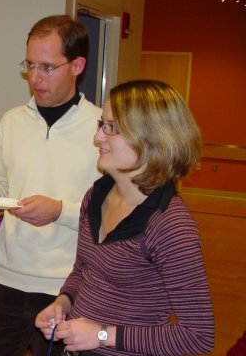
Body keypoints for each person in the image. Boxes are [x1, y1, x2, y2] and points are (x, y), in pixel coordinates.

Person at [0, 14, 102, 356]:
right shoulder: (12, 121)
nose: (35, 77)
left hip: (68, 285)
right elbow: (0, 180)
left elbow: (110, 211)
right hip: (8, 276)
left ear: (77, 65)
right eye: (30, 65)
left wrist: (59, 212)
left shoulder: (101, 128)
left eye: (48, 67)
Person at [35, 80, 214, 355]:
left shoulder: (170, 225)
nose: (98, 138)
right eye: (101, 124)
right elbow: (83, 270)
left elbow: (197, 337)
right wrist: (63, 302)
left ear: (151, 139)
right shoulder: (96, 195)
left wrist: (102, 335)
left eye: (113, 129)